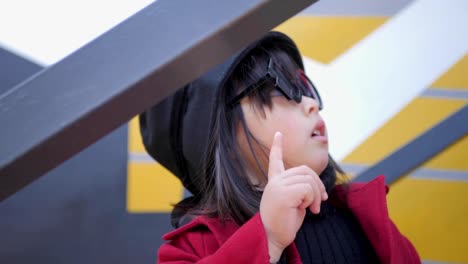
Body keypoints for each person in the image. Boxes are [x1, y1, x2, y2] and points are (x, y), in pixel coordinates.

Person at [140, 31, 420, 264]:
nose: (311, 104)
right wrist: (267, 238)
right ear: (218, 133)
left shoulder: (366, 217)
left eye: (305, 88)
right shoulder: (194, 248)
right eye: (279, 88)